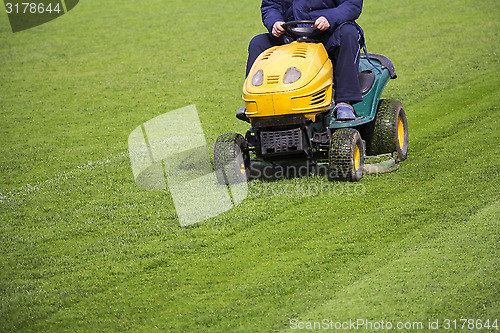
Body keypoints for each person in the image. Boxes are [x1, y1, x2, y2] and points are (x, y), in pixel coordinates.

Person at [246, 0, 364, 121]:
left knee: (349, 33)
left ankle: (344, 102)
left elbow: (352, 4)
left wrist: (329, 18)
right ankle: (254, 103)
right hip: (291, 33)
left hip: (328, 32)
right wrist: (274, 22)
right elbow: (271, 6)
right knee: (258, 43)